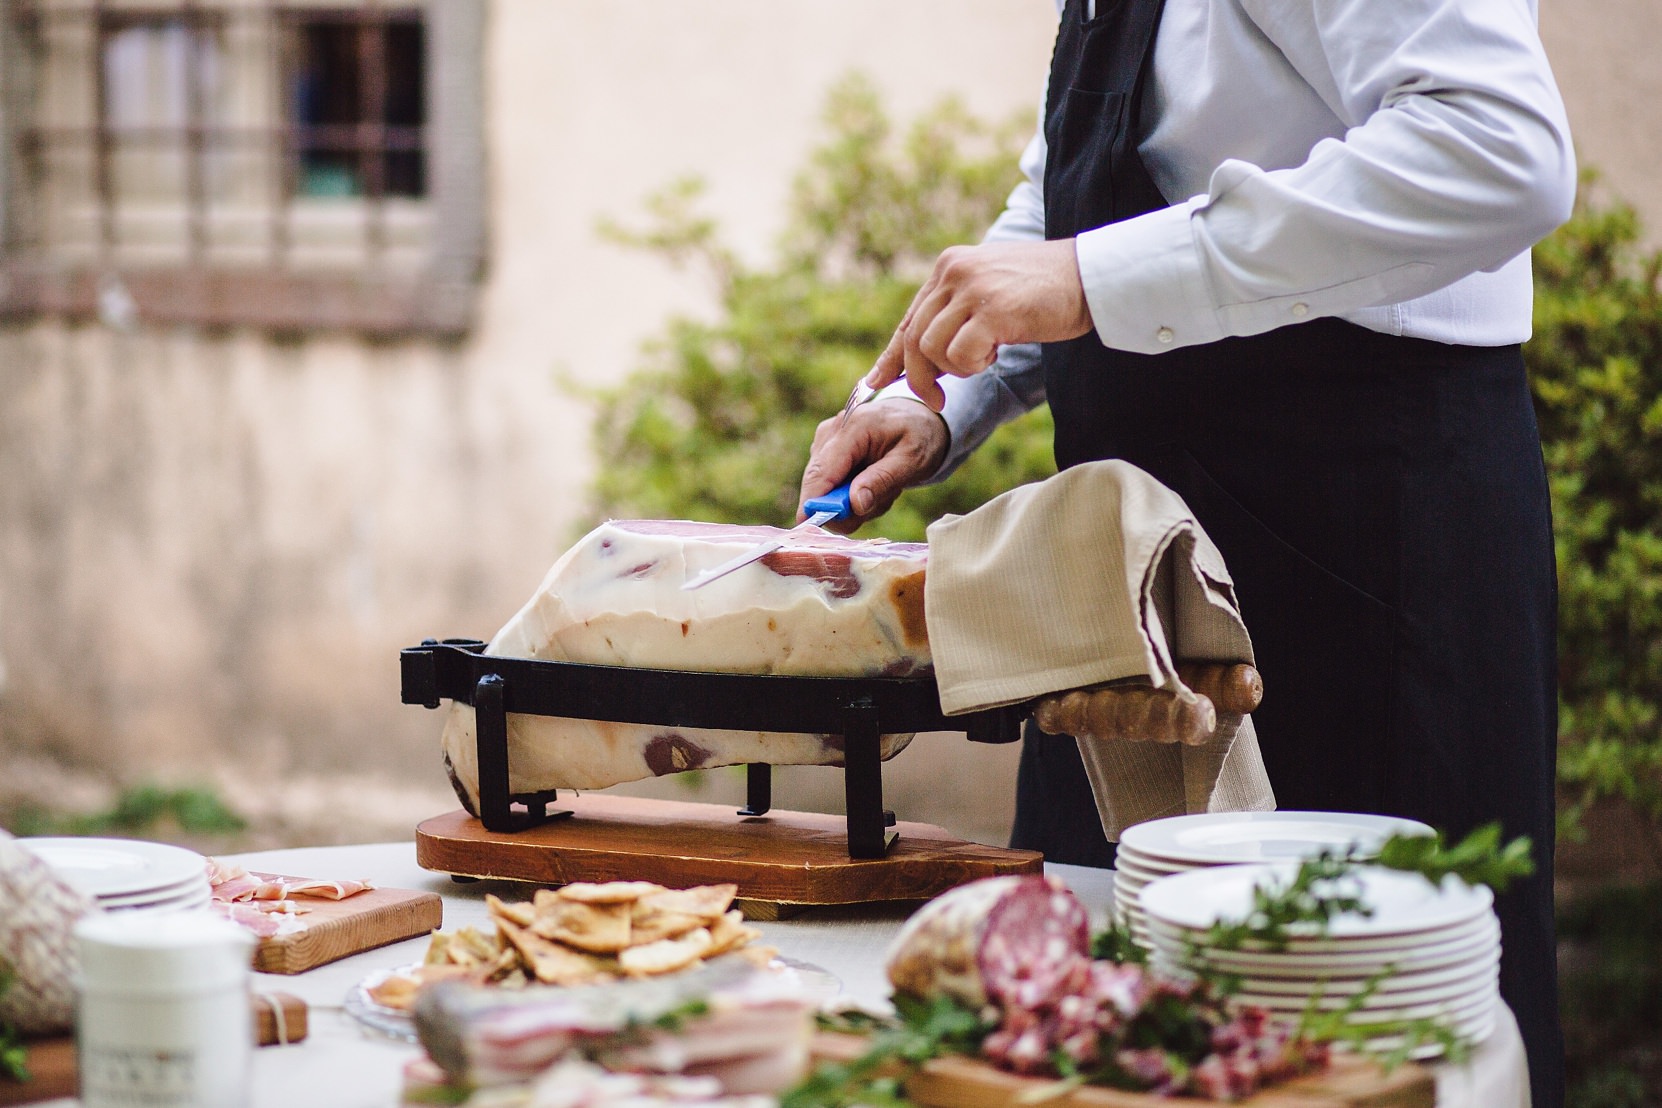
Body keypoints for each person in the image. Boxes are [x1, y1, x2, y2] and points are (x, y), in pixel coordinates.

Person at [796, 1, 1575, 1105]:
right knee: (1088, 1029)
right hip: (1123, 594)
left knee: (1351, 1046)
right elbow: (1086, 187)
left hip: (1365, 557)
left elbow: (1500, 149)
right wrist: (946, 396)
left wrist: (1089, 280)